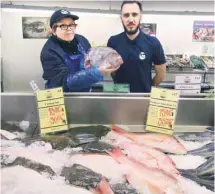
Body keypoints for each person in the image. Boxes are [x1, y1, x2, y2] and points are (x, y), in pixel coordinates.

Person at [40, 9, 117, 92]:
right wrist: (97, 72)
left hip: (83, 92)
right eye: (63, 26)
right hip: (60, 97)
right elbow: (64, 82)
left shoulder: (82, 40)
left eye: (71, 25)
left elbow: (91, 61)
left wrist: (104, 62)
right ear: (54, 30)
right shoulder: (49, 52)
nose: (69, 29)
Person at [107, 1, 166, 93]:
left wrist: (148, 88)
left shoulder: (153, 43)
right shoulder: (113, 41)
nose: (130, 19)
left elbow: (161, 75)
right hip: (119, 96)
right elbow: (113, 71)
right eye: (126, 15)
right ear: (121, 18)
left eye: (134, 15)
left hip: (143, 97)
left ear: (140, 17)